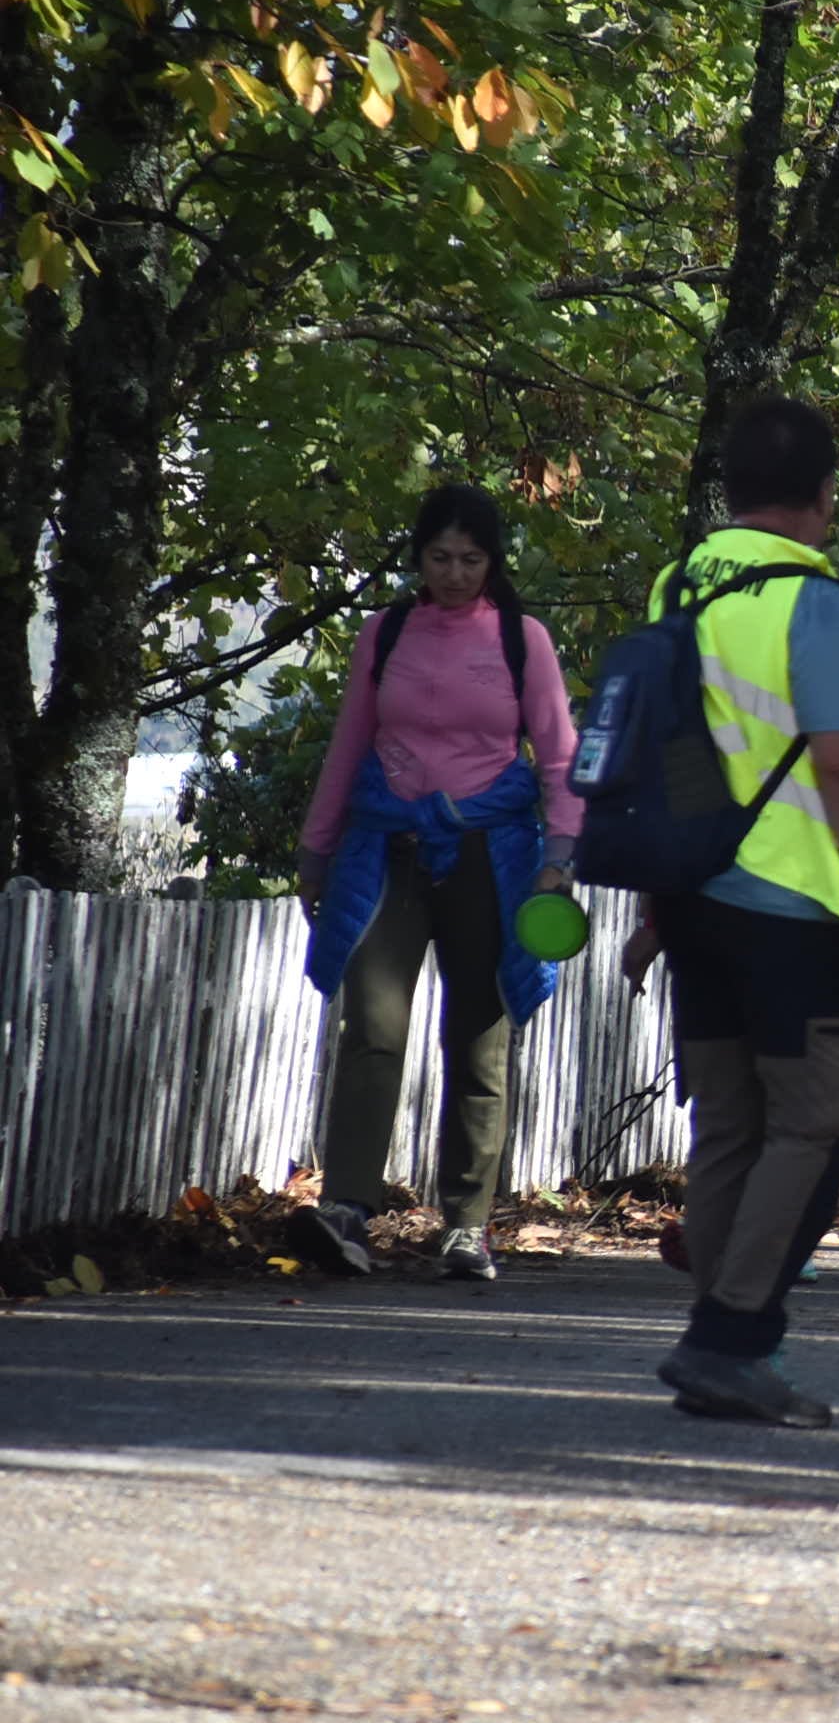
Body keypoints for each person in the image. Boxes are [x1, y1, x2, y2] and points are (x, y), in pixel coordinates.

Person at [645, 397, 839, 1427]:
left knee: (727, 1126)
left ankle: (721, 1330)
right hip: (797, 896)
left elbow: (670, 744)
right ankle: (730, 1337)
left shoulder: (679, 583)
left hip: (696, 893)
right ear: (823, 498)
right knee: (823, 1121)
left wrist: (670, 894)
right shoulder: (817, 602)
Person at [288, 485, 580, 1284]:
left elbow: (559, 759)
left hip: (492, 854)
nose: (455, 574)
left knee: (479, 1033)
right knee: (373, 1027)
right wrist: (316, 852)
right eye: (441, 558)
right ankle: (347, 1207)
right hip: (387, 850)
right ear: (417, 557)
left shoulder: (524, 642)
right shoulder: (384, 635)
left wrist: (559, 859)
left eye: (472, 559)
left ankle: (467, 1225)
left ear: (493, 563)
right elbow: (349, 744)